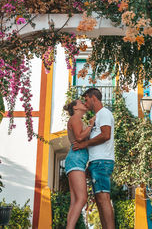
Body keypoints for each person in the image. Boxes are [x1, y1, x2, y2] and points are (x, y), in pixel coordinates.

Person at [73, 88, 115, 229]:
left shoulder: (104, 113)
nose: (86, 103)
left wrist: (85, 143)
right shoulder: (98, 116)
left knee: (103, 199)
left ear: (93, 98)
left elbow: (105, 135)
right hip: (97, 162)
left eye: (86, 99)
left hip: (102, 162)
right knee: (99, 200)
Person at [63, 100, 95, 229]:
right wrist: (91, 125)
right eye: (81, 103)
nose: (84, 104)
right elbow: (80, 137)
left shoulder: (77, 119)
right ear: (75, 107)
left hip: (76, 161)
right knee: (82, 198)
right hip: (76, 160)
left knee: (75, 201)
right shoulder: (75, 118)